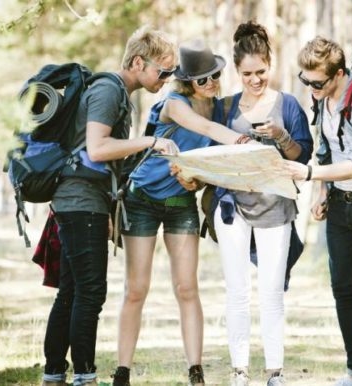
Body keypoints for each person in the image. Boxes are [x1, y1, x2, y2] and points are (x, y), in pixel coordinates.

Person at [41, 26, 180, 386]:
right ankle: (84, 376)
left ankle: (54, 372)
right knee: (90, 291)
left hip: (84, 201)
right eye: (162, 71)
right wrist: (148, 141)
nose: (166, 80)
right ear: (138, 62)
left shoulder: (119, 93)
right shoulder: (107, 90)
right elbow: (97, 149)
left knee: (72, 291)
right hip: (80, 202)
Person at [112, 40, 251, 386]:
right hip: (142, 198)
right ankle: (122, 371)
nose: (212, 84)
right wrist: (241, 142)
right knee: (136, 288)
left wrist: (198, 181)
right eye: (203, 80)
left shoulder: (218, 109)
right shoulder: (173, 103)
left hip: (180, 204)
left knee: (187, 287)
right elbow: (204, 131)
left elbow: (207, 166)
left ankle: (196, 371)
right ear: (188, 82)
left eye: (215, 76)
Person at [284, 37, 352, 386]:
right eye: (306, 81)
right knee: (342, 288)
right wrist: (321, 190)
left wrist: (310, 175)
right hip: (340, 205)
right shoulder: (323, 99)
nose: (311, 89)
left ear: (338, 73)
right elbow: (326, 149)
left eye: (317, 83)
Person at [212, 21, 313, 386]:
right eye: (247, 74)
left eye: (261, 72)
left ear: (271, 64)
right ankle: (239, 370)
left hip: (276, 208)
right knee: (237, 290)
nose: (255, 80)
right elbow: (212, 152)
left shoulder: (288, 105)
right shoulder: (224, 107)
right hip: (231, 208)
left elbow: (302, 156)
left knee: (271, 290)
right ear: (237, 72)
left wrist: (281, 136)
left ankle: (275, 372)